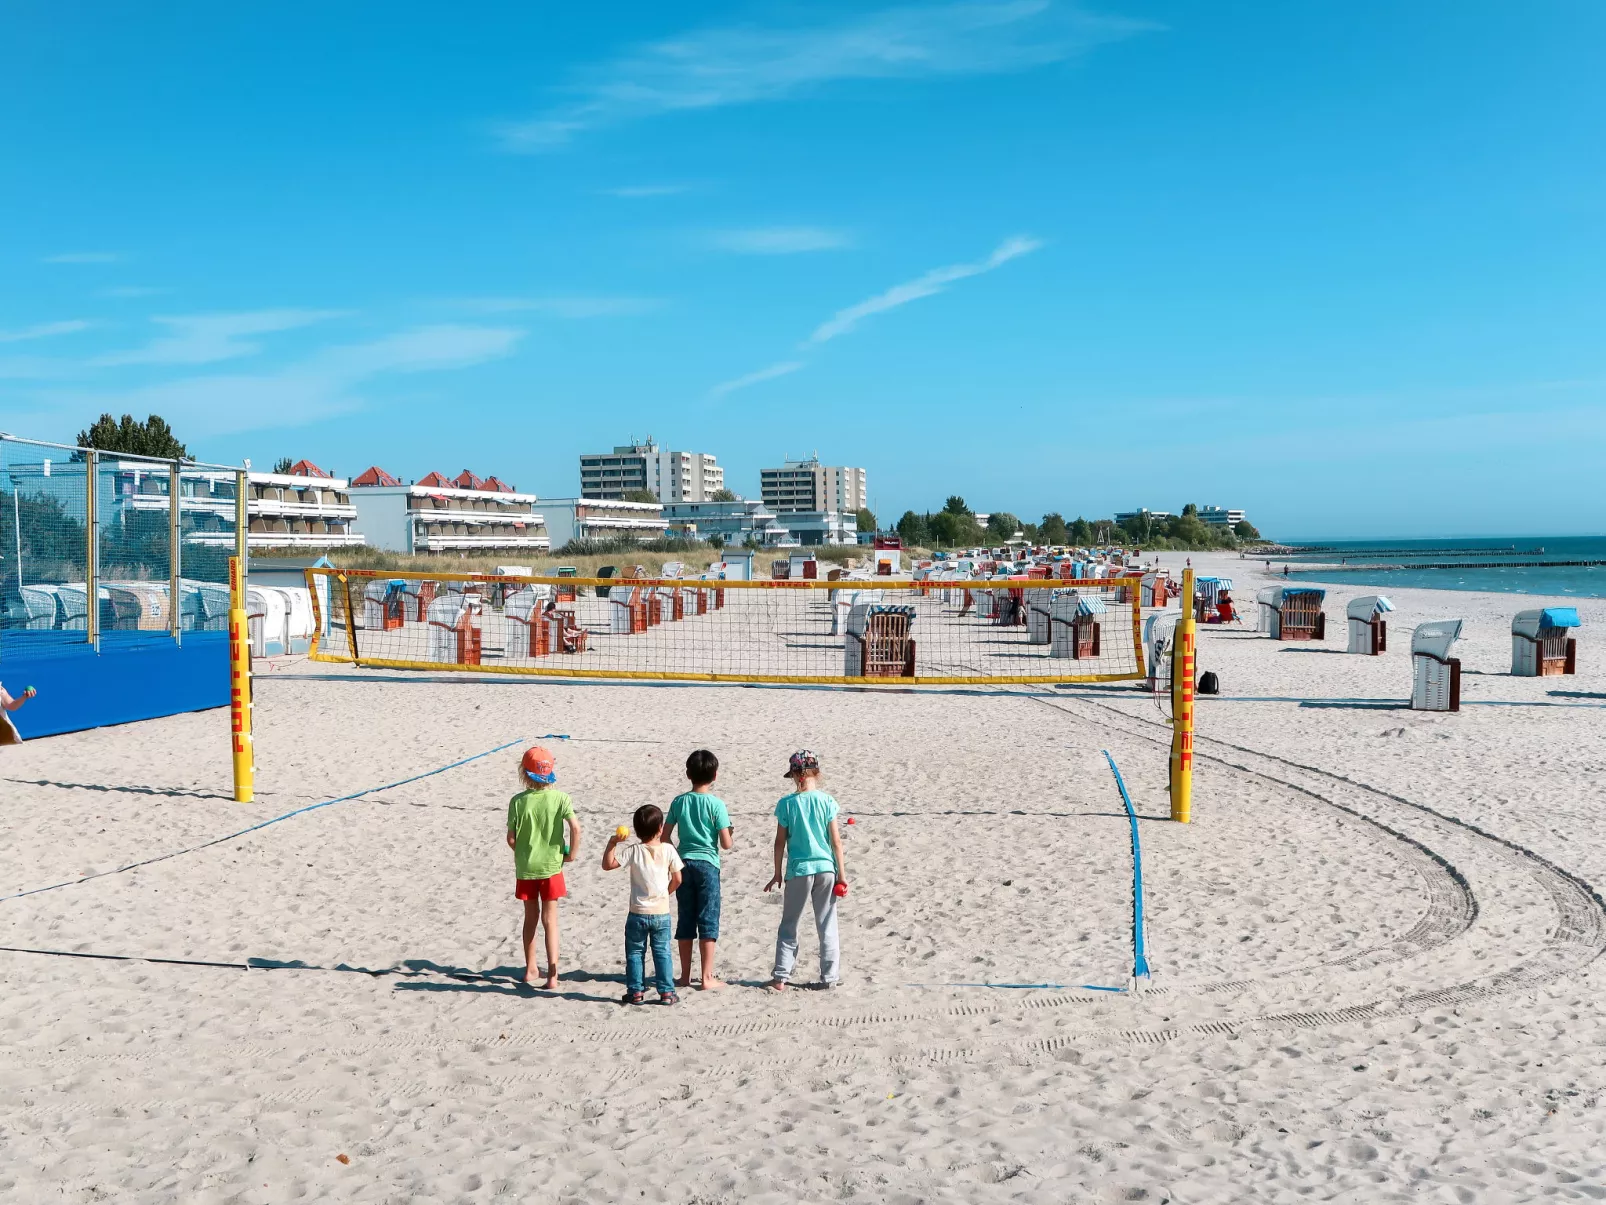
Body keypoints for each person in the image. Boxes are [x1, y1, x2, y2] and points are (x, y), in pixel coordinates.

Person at [765, 750, 848, 992]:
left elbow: (779, 842)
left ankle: (781, 976)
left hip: (799, 870)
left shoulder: (787, 804)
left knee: (790, 923)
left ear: (794, 775)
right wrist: (842, 875)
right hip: (826, 868)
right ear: (817, 773)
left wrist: (777, 872)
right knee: (827, 924)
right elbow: (836, 842)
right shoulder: (827, 801)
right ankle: (829, 977)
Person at [505, 746, 580, 991]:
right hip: (551, 866)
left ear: (525, 774)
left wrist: (523, 853)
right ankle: (552, 975)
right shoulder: (560, 798)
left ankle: (530, 968)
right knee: (551, 921)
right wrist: (572, 854)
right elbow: (575, 828)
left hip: (527, 866)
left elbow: (511, 839)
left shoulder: (517, 802)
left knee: (530, 918)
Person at [663, 749, 733, 990]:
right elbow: (726, 843)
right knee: (708, 919)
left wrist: (676, 857)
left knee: (686, 918)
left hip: (683, 864)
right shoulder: (716, 804)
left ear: (688, 774)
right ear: (715, 775)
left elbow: (665, 836)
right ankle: (706, 977)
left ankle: (684, 976)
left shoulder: (679, 801)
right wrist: (728, 832)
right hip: (708, 864)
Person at [603, 804, 684, 1006]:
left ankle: (636, 992)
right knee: (662, 952)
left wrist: (613, 842)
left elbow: (608, 864)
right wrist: (666, 892)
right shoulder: (668, 850)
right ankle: (666, 992)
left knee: (635, 953)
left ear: (636, 831)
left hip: (637, 912)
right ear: (660, 828)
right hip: (661, 912)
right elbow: (678, 879)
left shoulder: (634, 851)